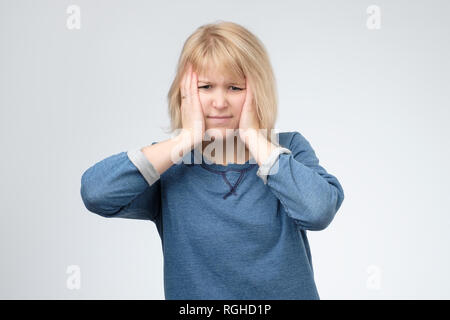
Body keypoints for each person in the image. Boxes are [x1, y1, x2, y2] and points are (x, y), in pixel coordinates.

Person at [80, 20, 345, 300]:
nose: (219, 103)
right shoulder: (170, 163)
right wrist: (185, 140)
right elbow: (96, 193)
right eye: (205, 87)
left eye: (235, 88)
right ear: (184, 93)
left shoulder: (287, 149)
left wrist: (253, 137)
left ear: (258, 91)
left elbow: (318, 210)